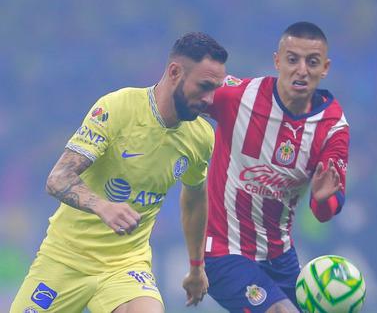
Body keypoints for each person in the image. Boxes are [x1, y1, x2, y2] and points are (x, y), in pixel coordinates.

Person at [10, 32, 227, 313]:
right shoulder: (117, 107)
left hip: (126, 265)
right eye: (204, 86)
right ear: (175, 72)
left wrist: (197, 267)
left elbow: (195, 196)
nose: (210, 99)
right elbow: (58, 178)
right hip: (65, 259)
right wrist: (103, 206)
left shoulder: (201, 137)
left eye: (216, 89)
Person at [204, 22, 349, 312]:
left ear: (325, 68)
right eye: (292, 59)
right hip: (224, 252)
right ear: (277, 61)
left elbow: (327, 209)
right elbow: (185, 95)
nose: (302, 70)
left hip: (281, 258)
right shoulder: (239, 96)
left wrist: (323, 201)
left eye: (312, 62)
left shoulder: (333, 128)